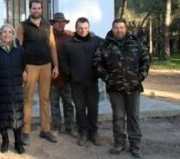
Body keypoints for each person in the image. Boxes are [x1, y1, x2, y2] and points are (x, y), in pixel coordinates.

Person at [93, 19, 150, 158]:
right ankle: (119, 143)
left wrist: (140, 76)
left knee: (133, 117)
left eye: (121, 27)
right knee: (118, 117)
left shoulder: (135, 42)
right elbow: (97, 63)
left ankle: (135, 146)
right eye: (116, 27)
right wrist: (107, 78)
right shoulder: (104, 45)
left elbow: (146, 60)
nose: (119, 30)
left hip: (133, 87)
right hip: (115, 89)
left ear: (126, 28)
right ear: (112, 29)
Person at [16, 0, 59, 145]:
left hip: (46, 66)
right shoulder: (22, 26)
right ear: (30, 9)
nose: (36, 10)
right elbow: (18, 48)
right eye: (34, 8)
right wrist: (22, 69)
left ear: (42, 9)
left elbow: (52, 46)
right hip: (30, 66)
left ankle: (45, 130)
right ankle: (26, 132)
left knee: (45, 98)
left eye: (39, 8)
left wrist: (56, 66)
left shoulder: (48, 25)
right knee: (28, 99)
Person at [60, 17, 103, 146]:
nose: (83, 30)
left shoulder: (97, 41)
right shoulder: (68, 43)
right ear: (76, 28)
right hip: (76, 83)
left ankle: (93, 133)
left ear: (89, 28)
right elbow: (62, 60)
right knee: (79, 109)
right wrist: (70, 74)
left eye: (85, 28)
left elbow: (111, 43)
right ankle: (83, 133)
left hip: (92, 81)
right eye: (80, 28)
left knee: (93, 108)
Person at [0, 24, 26, 154]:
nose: (7, 34)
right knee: (2, 114)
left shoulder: (19, 50)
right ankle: (5, 141)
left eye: (10, 32)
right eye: (4, 32)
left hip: (16, 87)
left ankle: (18, 142)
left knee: (17, 114)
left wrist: (23, 73)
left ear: (13, 34)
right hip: (0, 88)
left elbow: (23, 64)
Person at [49, 12, 78, 138]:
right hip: (52, 78)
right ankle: (56, 126)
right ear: (53, 23)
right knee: (54, 104)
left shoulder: (70, 36)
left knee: (68, 104)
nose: (60, 24)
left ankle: (70, 127)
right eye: (57, 21)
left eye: (63, 22)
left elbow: (84, 36)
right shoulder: (48, 37)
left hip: (67, 77)